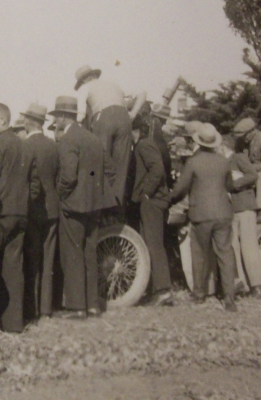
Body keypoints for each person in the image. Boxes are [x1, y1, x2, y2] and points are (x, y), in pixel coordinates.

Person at [52, 96, 114, 319]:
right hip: (95, 205)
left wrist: (60, 194)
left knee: (73, 254)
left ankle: (77, 307)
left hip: (74, 206)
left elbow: (68, 176)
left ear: (62, 117)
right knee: (90, 253)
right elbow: (109, 169)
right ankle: (93, 305)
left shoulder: (68, 140)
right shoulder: (93, 138)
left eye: (56, 116)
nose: (55, 121)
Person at [170, 123, 238, 312]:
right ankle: (229, 297)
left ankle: (199, 294)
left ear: (197, 141)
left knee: (199, 253)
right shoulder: (224, 161)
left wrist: (169, 198)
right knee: (225, 253)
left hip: (201, 214)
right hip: (223, 213)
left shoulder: (193, 162)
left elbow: (181, 189)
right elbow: (230, 186)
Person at [0, 103, 31, 333]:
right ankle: (13, 323)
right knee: (13, 268)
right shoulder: (23, 145)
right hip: (20, 213)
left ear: (2, 120)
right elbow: (34, 184)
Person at [74, 65, 131, 212]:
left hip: (104, 117)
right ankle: (118, 203)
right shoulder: (114, 85)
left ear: (84, 79)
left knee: (101, 158)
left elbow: (80, 114)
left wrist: (79, 127)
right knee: (121, 164)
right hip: (124, 118)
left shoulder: (84, 88)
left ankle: (104, 203)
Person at [20, 104, 59, 319]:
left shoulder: (25, 146)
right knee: (48, 259)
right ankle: (46, 309)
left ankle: (31, 309)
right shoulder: (53, 145)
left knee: (32, 259)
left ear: (27, 122)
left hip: (33, 210)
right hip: (53, 210)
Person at [130, 107, 172, 306]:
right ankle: (156, 289)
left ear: (134, 129)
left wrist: (146, 192)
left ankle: (163, 290)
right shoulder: (143, 145)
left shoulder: (144, 145)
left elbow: (157, 169)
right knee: (149, 242)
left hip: (152, 201)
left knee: (154, 244)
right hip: (152, 200)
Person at [218, 134, 261, 298]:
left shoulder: (238, 158)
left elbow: (253, 175)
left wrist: (235, 184)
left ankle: (257, 284)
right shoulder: (222, 162)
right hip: (230, 209)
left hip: (244, 206)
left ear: (223, 147)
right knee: (233, 247)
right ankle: (241, 284)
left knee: (249, 245)